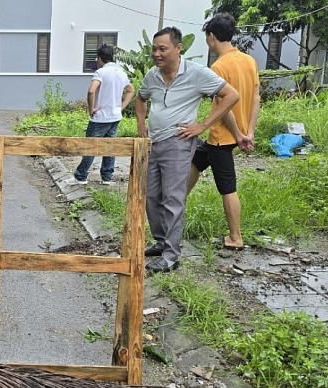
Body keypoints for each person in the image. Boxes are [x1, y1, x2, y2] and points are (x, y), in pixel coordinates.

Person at [135, 27, 240, 273]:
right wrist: (141, 126)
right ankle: (161, 242)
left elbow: (231, 95)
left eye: (162, 49)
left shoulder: (196, 73)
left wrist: (202, 125)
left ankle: (171, 255)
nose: (156, 54)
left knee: (172, 198)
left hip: (178, 142)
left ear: (178, 48)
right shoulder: (152, 74)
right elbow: (140, 98)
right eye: (154, 49)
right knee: (151, 196)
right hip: (154, 143)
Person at [188, 13, 260, 251]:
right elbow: (256, 98)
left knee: (227, 187)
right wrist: (249, 131)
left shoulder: (218, 66)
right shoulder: (249, 61)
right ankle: (173, 207)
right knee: (195, 162)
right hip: (230, 135)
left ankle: (235, 237)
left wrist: (239, 135)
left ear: (211, 36)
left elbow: (224, 104)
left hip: (223, 135)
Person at [69, 44, 135, 186]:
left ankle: (81, 176)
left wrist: (91, 108)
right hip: (115, 116)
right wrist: (121, 107)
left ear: (100, 59)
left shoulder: (101, 72)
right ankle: (107, 177)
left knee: (90, 146)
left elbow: (91, 91)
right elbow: (131, 90)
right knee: (110, 146)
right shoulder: (121, 72)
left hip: (100, 117)